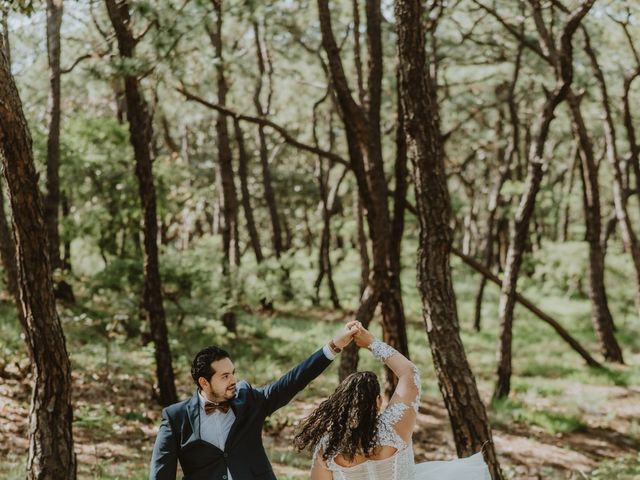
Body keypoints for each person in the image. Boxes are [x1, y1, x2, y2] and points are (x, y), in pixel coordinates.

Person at [149, 321, 359, 480]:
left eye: (233, 373)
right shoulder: (175, 417)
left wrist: (333, 346)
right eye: (224, 376)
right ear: (204, 382)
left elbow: (291, 382)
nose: (233, 380)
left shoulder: (247, 399)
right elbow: (160, 475)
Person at [295, 323, 491, 480]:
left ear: (340, 406)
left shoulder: (327, 447)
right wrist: (371, 342)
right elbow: (409, 372)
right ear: (378, 402)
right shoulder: (395, 428)